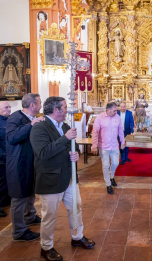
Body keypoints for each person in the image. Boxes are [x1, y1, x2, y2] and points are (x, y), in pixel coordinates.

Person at [30, 97, 95, 261]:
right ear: (56, 110)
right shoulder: (40, 128)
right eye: (65, 107)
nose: (68, 110)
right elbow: (43, 153)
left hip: (69, 177)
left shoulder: (65, 126)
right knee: (50, 215)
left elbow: (74, 147)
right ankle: (46, 247)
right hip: (50, 179)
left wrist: (75, 154)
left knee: (76, 207)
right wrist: (65, 138)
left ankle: (77, 236)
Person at [6, 94, 44, 242]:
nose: (40, 106)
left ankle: (30, 216)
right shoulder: (15, 118)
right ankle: (19, 231)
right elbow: (11, 138)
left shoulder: (31, 118)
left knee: (30, 192)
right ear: (32, 105)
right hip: (18, 164)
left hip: (30, 162)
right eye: (39, 103)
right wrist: (32, 125)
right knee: (19, 196)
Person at [91, 103, 125, 194]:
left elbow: (121, 130)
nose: (116, 111)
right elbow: (95, 132)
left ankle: (111, 176)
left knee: (115, 163)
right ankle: (108, 184)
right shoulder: (99, 118)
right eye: (114, 110)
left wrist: (123, 141)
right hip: (104, 146)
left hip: (114, 145)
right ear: (108, 110)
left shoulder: (117, 117)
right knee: (106, 165)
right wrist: (94, 145)